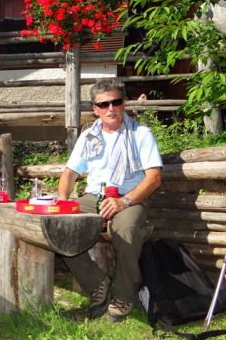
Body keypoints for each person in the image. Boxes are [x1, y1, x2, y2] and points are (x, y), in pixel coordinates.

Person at [58, 79, 162, 322]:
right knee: (56, 223)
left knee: (125, 228)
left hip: (130, 197)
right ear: (95, 109)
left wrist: (123, 202)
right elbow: (69, 173)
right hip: (94, 197)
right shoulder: (88, 137)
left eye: (116, 102)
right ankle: (96, 282)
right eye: (104, 104)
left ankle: (125, 295)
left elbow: (154, 178)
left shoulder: (140, 134)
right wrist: (63, 202)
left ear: (124, 104)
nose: (111, 109)